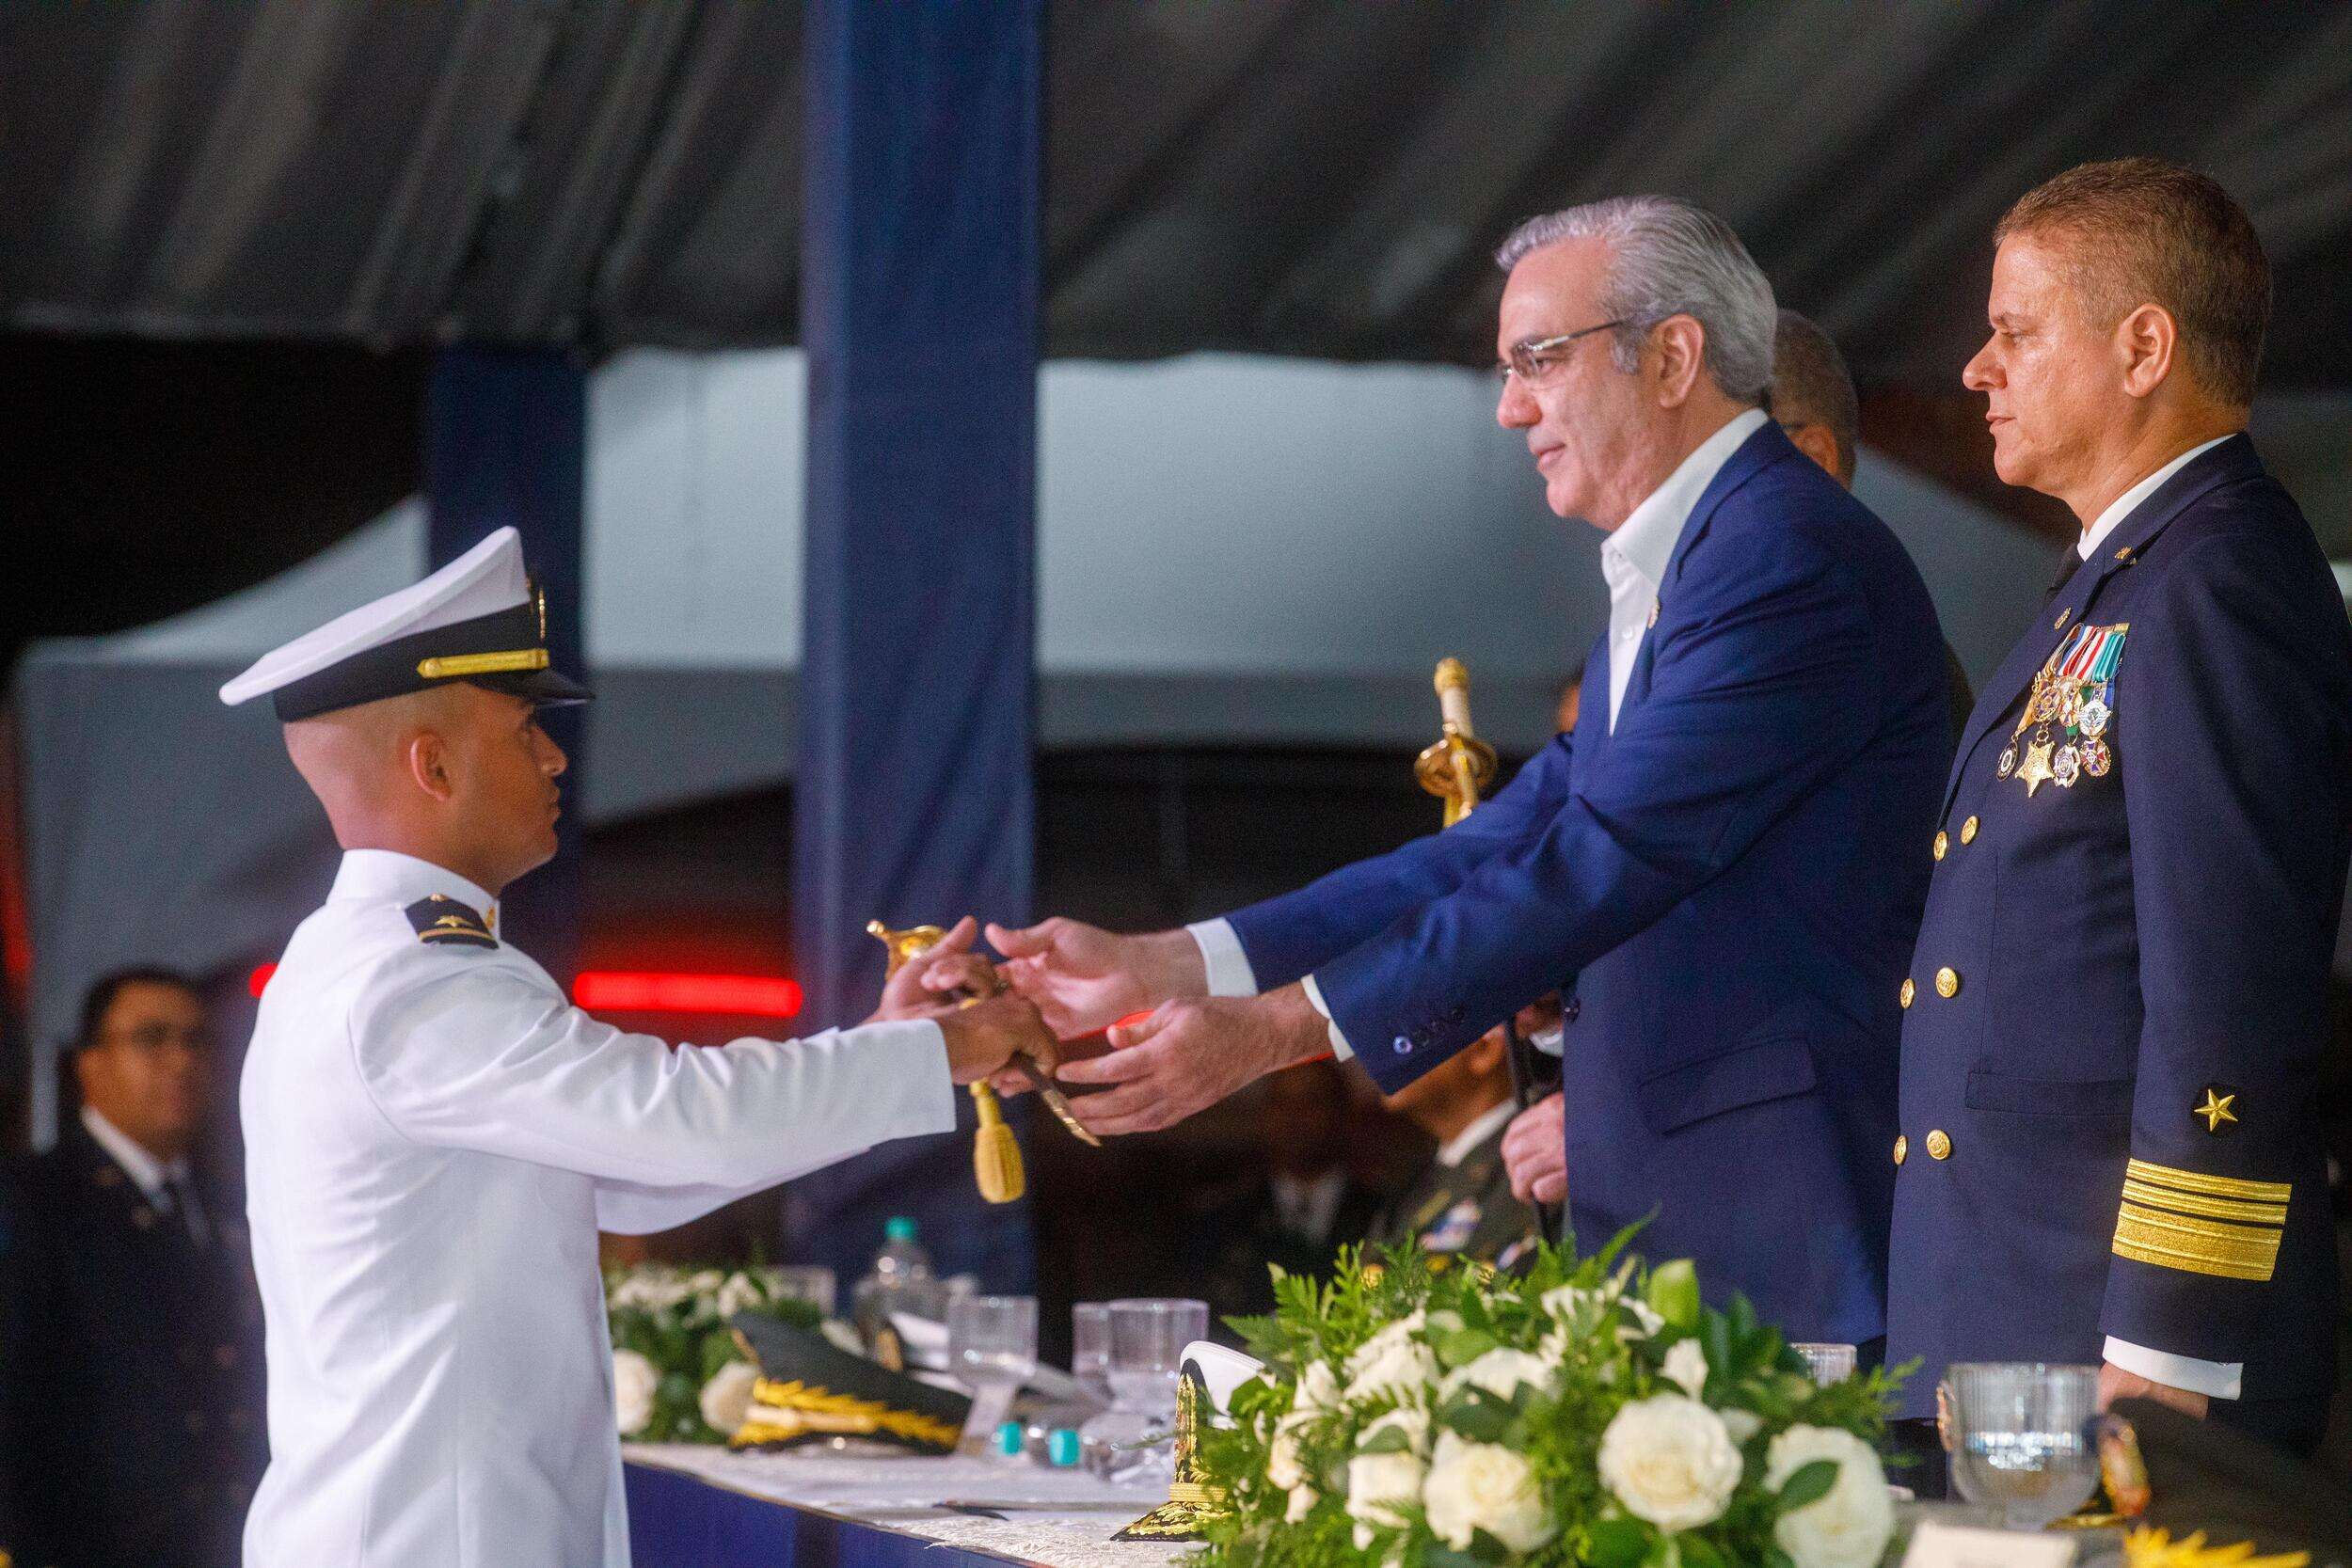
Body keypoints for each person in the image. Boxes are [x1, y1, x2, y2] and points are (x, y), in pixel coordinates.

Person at [993, 197, 1949, 1348]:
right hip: (1694, 1232)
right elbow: (1492, 845)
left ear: (1673, 357)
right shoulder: (1690, 567)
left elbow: (1602, 858)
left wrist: (1277, 1030)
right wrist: (1173, 960)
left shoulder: (1780, 556)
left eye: (1537, 360)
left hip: (1785, 1238)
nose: (1509, 407)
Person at [215, 527, 1057, 1567]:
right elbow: (668, 1119)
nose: (556, 753)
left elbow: (624, 1175)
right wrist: (948, 1050)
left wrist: (899, 1040)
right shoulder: (409, 981)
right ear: (431, 763)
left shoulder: (369, 963)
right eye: (527, 724)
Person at [1886, 158, 2352, 1459]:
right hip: (2010, 1328)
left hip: (2120, 1362)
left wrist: (2164, 1349)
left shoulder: (2216, 584)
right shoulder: (2117, 584)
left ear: (2144, 345)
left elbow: (2228, 994)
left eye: (2017, 332)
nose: (1979, 368)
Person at [1501, 309, 1978, 1209]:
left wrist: (1607, 1121)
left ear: (1813, 458)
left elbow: (1805, 961)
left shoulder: (1828, 632)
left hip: (1812, 1175)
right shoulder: (1660, 627)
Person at [0, 969, 265, 1568]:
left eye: (198, 1041)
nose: (180, 1061)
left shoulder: (231, 1204)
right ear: (89, 1064)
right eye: (152, 1038)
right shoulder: (35, 1200)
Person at [1186, 1060, 1383, 1319]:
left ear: (1343, 1111)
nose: (1296, 1116)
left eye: (1312, 1100)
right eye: (1282, 1103)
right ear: (1264, 1114)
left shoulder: (1382, 1212)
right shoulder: (1223, 1217)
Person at [1369, 1020, 1541, 1272]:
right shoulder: (1412, 1184)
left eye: (1404, 1025)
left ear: (1485, 1047)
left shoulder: (1538, 1156)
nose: (1376, 1050)